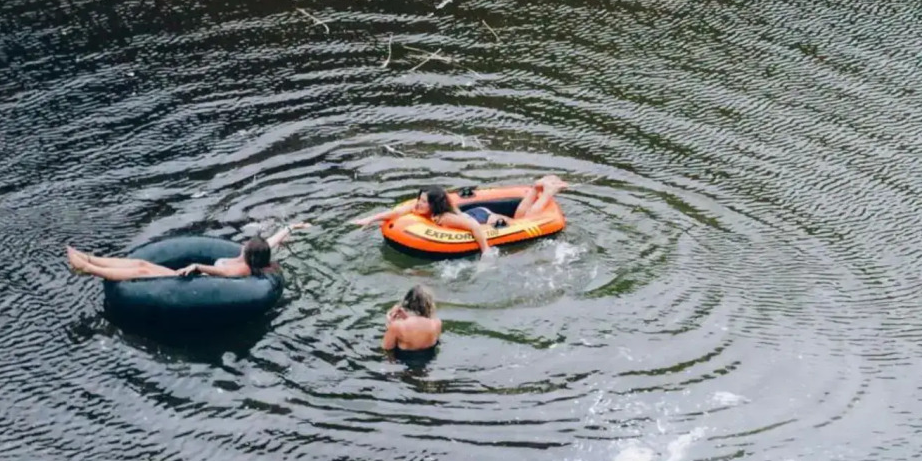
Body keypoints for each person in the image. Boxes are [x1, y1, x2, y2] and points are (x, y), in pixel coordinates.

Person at [352, 176, 568, 258]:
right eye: (419, 200)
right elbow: (396, 213)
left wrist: (486, 252)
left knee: (525, 220)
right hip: (474, 215)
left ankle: (546, 192)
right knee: (522, 216)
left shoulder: (444, 218)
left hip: (482, 219)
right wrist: (370, 219)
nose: (418, 204)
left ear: (433, 205)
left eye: (423, 202)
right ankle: (536, 189)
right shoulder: (421, 210)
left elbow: (473, 226)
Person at [65, 223, 310, 281]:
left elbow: (218, 272)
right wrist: (293, 227)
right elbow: (272, 241)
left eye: (247, 244)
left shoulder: (241, 269)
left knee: (142, 269)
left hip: (187, 281)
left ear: (251, 253)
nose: (244, 243)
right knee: (141, 263)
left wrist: (196, 266)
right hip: (190, 276)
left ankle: (87, 268)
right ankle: (89, 258)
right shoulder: (249, 257)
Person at [383, 284, 442, 352]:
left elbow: (387, 349)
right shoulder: (437, 323)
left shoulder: (397, 326)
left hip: (404, 357)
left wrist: (389, 324)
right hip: (429, 356)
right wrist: (406, 317)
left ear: (408, 302)